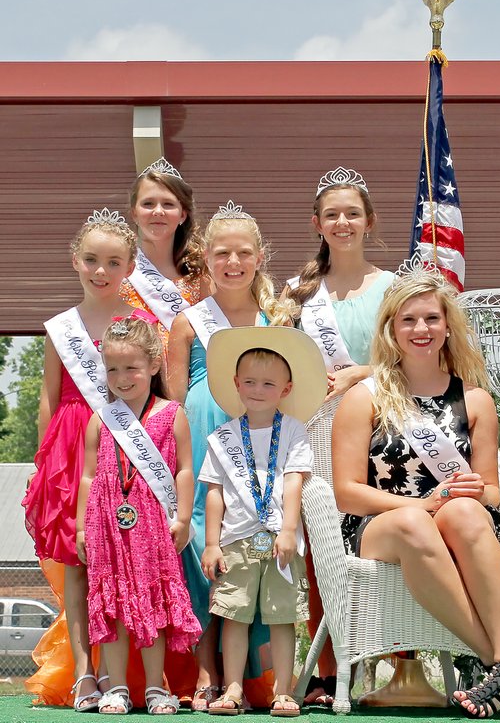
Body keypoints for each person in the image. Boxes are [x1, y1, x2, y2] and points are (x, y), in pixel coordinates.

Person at [332, 263, 500, 719]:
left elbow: (494, 494)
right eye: (409, 320)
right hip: (382, 524)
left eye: (432, 319)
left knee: (466, 513)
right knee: (418, 521)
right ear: (391, 329)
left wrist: (478, 491)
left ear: (447, 326)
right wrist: (421, 503)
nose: (422, 329)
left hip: (457, 523)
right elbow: (346, 492)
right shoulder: (367, 396)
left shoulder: (475, 401)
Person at [168, 200, 296, 710]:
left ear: (260, 256)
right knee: (204, 546)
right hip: (202, 432)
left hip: (262, 437)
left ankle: (244, 676)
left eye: (244, 252)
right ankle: (206, 671)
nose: (233, 262)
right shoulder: (186, 321)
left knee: (253, 545)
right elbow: (175, 401)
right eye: (222, 252)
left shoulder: (278, 318)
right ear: (206, 256)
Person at [283, 167, 393, 704]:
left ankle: (394, 669)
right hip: (317, 430)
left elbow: (410, 357)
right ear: (317, 224)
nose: (342, 222)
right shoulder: (297, 293)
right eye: (332, 214)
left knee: (384, 540)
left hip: (383, 427)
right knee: (322, 547)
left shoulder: (394, 286)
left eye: (352, 213)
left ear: (369, 221)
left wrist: (359, 373)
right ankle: (328, 670)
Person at [22, 208, 139, 709]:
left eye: (113, 262)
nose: (101, 270)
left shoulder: (142, 323)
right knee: (76, 563)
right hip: (71, 449)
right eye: (91, 259)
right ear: (75, 261)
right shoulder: (59, 329)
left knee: (121, 559)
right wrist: (47, 459)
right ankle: (84, 672)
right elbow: (50, 397)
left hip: (124, 445)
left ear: (129, 267)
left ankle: (121, 672)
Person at [76, 314, 201, 715]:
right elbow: (88, 476)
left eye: (131, 367)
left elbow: (184, 468)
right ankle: (117, 689)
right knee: (110, 605)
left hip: (153, 524)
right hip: (106, 524)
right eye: (113, 368)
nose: (122, 377)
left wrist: (181, 517)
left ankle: (154, 687)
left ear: (153, 365)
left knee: (151, 604)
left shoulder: (172, 413)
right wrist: (82, 525)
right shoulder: (100, 418)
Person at [199, 326, 327, 716]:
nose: (258, 389)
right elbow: (215, 493)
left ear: (286, 389)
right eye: (250, 381)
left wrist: (289, 529)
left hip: (280, 540)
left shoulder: (293, 431)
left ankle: (282, 691)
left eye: (268, 383)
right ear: (236, 384)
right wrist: (210, 542)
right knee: (233, 616)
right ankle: (233, 688)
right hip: (235, 540)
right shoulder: (221, 437)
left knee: (282, 617)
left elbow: (292, 483)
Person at [120, 157, 205, 352]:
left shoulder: (200, 274)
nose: (158, 211)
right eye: (148, 204)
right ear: (134, 213)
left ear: (182, 214)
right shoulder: (119, 270)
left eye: (168, 204)